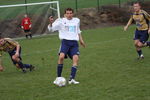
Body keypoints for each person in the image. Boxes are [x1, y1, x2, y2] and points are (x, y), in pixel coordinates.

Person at [48, 8, 86, 84]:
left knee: (76, 59)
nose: (69, 15)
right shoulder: (60, 21)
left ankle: (72, 79)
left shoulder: (76, 20)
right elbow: (51, 29)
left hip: (74, 43)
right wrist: (51, 23)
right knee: (61, 57)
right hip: (65, 42)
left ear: (73, 13)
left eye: (70, 13)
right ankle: (58, 77)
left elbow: (78, 30)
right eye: (67, 13)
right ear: (65, 14)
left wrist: (81, 40)